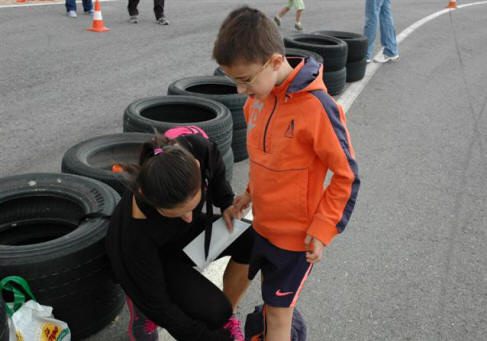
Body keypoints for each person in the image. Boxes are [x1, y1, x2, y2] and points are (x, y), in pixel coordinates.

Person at [213, 6, 360, 341]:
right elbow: (267, 160)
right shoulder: (257, 99)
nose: (240, 91)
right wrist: (247, 195)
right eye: (234, 81)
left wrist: (323, 229)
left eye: (245, 80)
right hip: (263, 228)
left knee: (279, 316)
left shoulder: (319, 108)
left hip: (296, 240)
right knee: (269, 302)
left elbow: (346, 176)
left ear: (275, 62)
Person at [105, 127, 252, 341]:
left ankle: (226, 319)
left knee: (252, 239)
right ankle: (140, 308)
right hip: (155, 262)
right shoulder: (133, 237)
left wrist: (226, 202)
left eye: (192, 207)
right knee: (212, 311)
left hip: (178, 240)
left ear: (196, 166)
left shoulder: (197, 150)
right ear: (148, 198)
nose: (190, 218)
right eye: (178, 213)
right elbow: (164, 310)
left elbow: (215, 165)